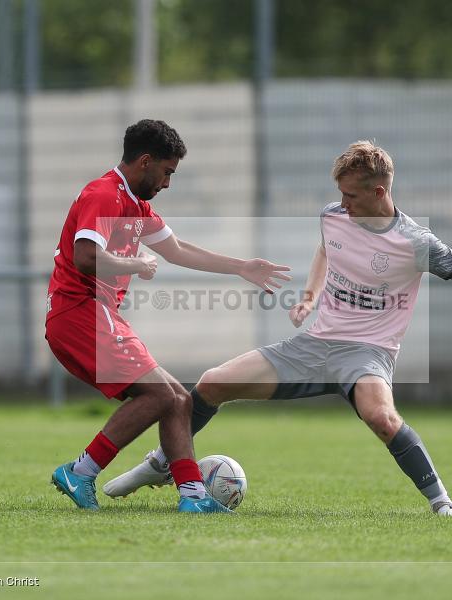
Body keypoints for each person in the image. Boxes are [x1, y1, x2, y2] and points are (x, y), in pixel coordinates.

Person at [103, 140, 452, 517]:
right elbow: (327, 248)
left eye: (352, 196)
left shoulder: (416, 242)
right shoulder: (334, 215)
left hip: (367, 353)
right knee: (211, 383)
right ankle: (161, 464)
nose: (342, 204)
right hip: (312, 346)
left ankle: (442, 502)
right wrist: (310, 295)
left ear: (379, 192)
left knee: (382, 418)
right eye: (341, 194)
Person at [45, 119, 290, 513]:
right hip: (79, 312)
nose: (167, 183)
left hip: (97, 314)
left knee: (178, 399)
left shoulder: (136, 206)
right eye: (166, 172)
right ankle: (81, 471)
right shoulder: (104, 195)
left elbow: (177, 249)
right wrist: (135, 263)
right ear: (145, 161)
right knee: (161, 394)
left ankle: (193, 497)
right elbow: (85, 257)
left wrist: (241, 267)